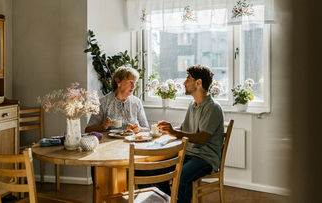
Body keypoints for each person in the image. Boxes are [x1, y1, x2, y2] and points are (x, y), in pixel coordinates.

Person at [158, 65, 225, 203]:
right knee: (157, 170)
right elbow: (183, 129)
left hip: (205, 158)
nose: (184, 83)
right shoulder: (193, 105)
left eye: (188, 79)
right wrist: (167, 130)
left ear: (198, 82)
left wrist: (175, 132)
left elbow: (201, 139)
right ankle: (171, 200)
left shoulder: (213, 107)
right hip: (188, 153)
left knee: (182, 176)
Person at [85, 66, 149, 133]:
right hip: (110, 143)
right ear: (118, 82)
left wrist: (139, 129)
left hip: (131, 142)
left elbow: (146, 128)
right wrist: (102, 127)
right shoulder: (103, 102)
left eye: (134, 82)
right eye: (130, 82)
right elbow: (87, 130)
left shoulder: (136, 102)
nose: (133, 86)